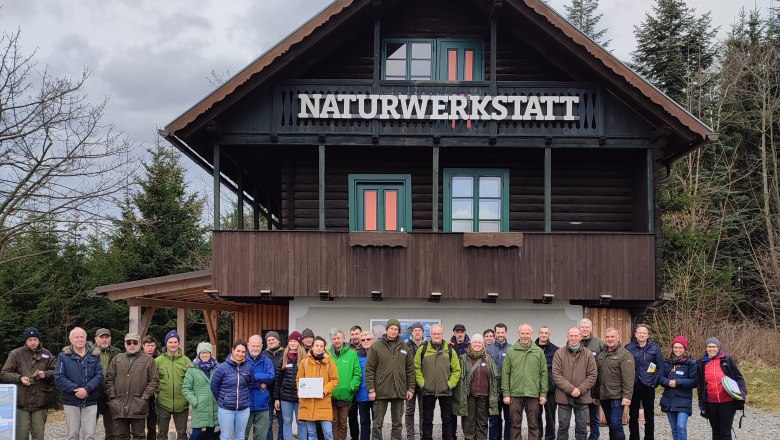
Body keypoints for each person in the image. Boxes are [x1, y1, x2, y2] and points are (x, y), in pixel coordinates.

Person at [1, 327, 56, 440]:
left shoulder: (47, 354)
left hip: (40, 402)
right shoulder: (16, 354)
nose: (32, 342)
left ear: (39, 340)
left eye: (35, 339)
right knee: (21, 436)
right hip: (21, 403)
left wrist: (45, 374)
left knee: (38, 436)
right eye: (30, 339)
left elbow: (57, 372)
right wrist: (19, 378)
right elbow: (4, 373)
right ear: (25, 341)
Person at [365, 318, 415, 440]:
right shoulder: (376, 347)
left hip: (399, 391)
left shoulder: (405, 347)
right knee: (377, 423)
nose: (393, 331)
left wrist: (410, 389)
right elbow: (370, 369)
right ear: (387, 330)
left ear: (398, 331)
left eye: (396, 329)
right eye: (391, 328)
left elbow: (410, 370)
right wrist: (371, 389)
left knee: (397, 423)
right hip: (381, 391)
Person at [105, 332, 160, 440]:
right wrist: (112, 398)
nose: (132, 345)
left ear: (140, 344)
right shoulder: (117, 359)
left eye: (135, 342)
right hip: (119, 405)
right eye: (129, 342)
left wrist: (144, 397)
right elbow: (109, 379)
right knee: (120, 436)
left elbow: (154, 381)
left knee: (139, 437)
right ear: (125, 344)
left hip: (138, 406)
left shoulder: (148, 360)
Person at [54, 327, 104, 440]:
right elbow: (59, 377)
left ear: (86, 339)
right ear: (71, 339)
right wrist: (76, 389)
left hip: (90, 400)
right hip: (71, 401)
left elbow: (99, 375)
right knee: (73, 435)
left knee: (90, 436)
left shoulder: (95, 355)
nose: (80, 339)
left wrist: (87, 389)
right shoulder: (63, 356)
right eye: (77, 337)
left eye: (82, 337)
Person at [414, 323, 461, 440]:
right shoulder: (423, 350)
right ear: (430, 334)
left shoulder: (450, 350)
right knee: (427, 420)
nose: (436, 335)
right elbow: (416, 368)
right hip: (428, 391)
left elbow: (456, 370)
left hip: (446, 391)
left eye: (438, 333)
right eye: (434, 333)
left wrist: (450, 385)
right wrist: (423, 384)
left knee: (447, 420)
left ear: (442, 334)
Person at [502, 324, 547, 440]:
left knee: (533, 424)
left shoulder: (538, 352)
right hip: (515, 395)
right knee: (515, 425)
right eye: (522, 333)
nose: (525, 336)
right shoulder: (511, 351)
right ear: (519, 334)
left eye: (527, 333)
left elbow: (543, 373)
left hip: (533, 394)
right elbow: (505, 373)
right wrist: (506, 394)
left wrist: (543, 394)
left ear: (531, 334)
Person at [697, 337, 747, 440]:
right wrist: (702, 404)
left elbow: (738, 377)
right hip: (711, 402)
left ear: (718, 347)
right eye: (709, 346)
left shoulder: (727, 360)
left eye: (714, 346)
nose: (711, 349)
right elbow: (700, 386)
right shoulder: (701, 363)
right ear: (706, 348)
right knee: (715, 432)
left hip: (728, 401)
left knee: (725, 432)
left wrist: (742, 392)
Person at [552, 327, 597, 440]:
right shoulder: (559, 353)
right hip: (564, 397)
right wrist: (571, 389)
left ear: (581, 337)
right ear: (567, 337)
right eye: (571, 335)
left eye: (576, 335)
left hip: (582, 396)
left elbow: (592, 375)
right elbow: (556, 375)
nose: (573, 338)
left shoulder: (588, 354)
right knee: (563, 426)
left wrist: (580, 389)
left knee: (582, 428)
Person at [453, 334, 499, 440]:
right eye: (475, 342)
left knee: (482, 423)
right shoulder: (463, 359)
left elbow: (494, 378)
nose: (477, 344)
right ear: (470, 344)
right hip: (469, 397)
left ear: (483, 345)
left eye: (479, 343)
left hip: (484, 396)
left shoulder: (488, 359)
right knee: (468, 422)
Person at [625, 324, 664, 440]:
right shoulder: (628, 348)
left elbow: (661, 367)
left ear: (648, 335)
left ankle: (649, 437)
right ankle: (634, 437)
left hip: (648, 385)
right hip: (634, 385)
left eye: (644, 333)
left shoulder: (655, 348)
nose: (642, 335)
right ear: (635, 334)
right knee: (633, 415)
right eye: (639, 333)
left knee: (649, 415)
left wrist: (655, 382)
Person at [595, 328, 634, 440]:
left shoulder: (625, 355)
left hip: (617, 396)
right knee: (611, 424)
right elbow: (597, 377)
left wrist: (627, 396)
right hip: (604, 396)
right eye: (607, 337)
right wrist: (595, 395)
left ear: (618, 337)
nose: (610, 339)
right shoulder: (601, 355)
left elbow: (628, 378)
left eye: (612, 337)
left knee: (616, 424)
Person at [297, 336, 340, 440]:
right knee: (311, 434)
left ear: (324, 348)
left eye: (321, 346)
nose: (319, 348)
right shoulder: (304, 363)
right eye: (317, 345)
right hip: (308, 403)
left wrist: (324, 391)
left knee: (328, 433)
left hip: (323, 402)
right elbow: (299, 379)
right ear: (312, 347)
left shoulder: (330, 363)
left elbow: (335, 380)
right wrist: (300, 390)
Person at [212, 340, 255, 440]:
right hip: (226, 409)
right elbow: (214, 386)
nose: (240, 354)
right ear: (233, 350)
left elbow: (251, 384)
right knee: (226, 436)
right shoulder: (222, 368)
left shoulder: (249, 367)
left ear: (246, 353)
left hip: (243, 409)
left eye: (243, 352)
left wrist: (243, 397)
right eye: (238, 351)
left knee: (240, 436)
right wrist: (223, 399)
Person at [657, 336, 696, 440]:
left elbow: (694, 381)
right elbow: (660, 377)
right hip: (669, 399)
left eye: (680, 347)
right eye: (675, 347)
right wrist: (668, 382)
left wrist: (678, 382)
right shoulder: (667, 362)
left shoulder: (691, 363)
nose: (677, 350)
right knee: (674, 429)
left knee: (681, 427)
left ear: (685, 349)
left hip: (684, 400)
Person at [155, 330, 191, 440]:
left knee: (182, 435)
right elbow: (152, 380)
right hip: (163, 403)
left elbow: (192, 380)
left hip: (182, 404)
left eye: (175, 342)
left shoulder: (186, 360)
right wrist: (157, 394)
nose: (173, 344)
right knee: (162, 435)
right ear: (166, 343)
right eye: (170, 342)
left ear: (178, 343)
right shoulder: (158, 361)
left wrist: (189, 396)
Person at [182, 342, 219, 440]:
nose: (205, 355)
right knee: (195, 435)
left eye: (207, 352)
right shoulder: (192, 369)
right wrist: (195, 401)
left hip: (213, 406)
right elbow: (185, 389)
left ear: (211, 354)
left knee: (210, 435)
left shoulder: (217, 368)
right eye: (202, 352)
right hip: (199, 407)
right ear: (198, 354)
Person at [329, 329, 362, 440]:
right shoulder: (327, 354)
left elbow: (357, 373)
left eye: (338, 338)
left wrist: (352, 387)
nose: (336, 341)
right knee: (333, 422)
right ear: (331, 340)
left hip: (346, 396)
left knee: (343, 423)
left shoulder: (352, 354)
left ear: (343, 338)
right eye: (334, 339)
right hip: (331, 396)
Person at [274, 331, 306, 440]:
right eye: (290, 341)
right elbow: (278, 379)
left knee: (301, 422)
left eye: (295, 341)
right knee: (287, 422)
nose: (292, 343)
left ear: (299, 343)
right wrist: (277, 398)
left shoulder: (304, 358)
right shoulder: (284, 358)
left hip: (300, 397)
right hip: (285, 397)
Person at [579, 318, 605, 440]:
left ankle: (594, 437)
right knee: (581, 417)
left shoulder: (599, 343)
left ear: (591, 328)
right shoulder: (575, 341)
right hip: (579, 386)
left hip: (594, 385)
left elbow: (603, 364)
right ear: (579, 328)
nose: (585, 329)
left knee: (594, 416)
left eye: (587, 326)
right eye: (582, 326)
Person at [246, 335, 277, 440]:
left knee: (261, 437)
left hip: (263, 404)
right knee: (242, 435)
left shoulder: (267, 360)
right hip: (245, 404)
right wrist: (260, 383)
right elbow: (243, 379)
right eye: (253, 346)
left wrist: (254, 376)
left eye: (258, 346)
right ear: (248, 345)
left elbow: (271, 377)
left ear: (262, 346)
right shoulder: (242, 359)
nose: (255, 348)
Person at [95, 328, 121, 440]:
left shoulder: (118, 352)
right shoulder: (89, 352)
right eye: (102, 337)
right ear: (96, 339)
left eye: (107, 337)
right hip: (93, 394)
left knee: (112, 430)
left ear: (110, 339)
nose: (104, 340)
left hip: (110, 395)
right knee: (89, 429)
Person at [487, 323, 511, 440]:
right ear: (495, 333)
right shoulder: (488, 350)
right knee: (494, 418)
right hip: (493, 391)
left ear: (506, 333)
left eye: (503, 332)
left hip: (508, 391)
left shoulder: (511, 349)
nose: (500, 335)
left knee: (509, 418)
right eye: (498, 332)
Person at [536, 326, 559, 440]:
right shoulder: (532, 348)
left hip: (551, 389)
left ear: (549, 334)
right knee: (536, 416)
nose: (544, 335)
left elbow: (558, 370)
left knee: (550, 416)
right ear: (538, 334)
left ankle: (550, 437)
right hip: (535, 389)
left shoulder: (555, 350)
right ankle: (538, 436)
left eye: (546, 333)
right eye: (542, 333)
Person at [404, 322, 425, 440]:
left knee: (423, 412)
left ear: (423, 332)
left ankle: (423, 435)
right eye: (415, 330)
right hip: (410, 384)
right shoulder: (406, 346)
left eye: (419, 330)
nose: (417, 332)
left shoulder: (427, 346)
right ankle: (410, 436)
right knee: (409, 411)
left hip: (423, 383)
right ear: (412, 332)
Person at [449, 323, 470, 437]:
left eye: (462, 332)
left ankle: (467, 435)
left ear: (465, 332)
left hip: (467, 383)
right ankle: (452, 435)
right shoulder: (448, 346)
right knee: (451, 412)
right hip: (453, 383)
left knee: (466, 412)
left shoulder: (471, 345)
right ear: (454, 333)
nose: (460, 334)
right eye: (457, 332)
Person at [265, 331, 286, 440]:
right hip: (267, 394)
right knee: (268, 424)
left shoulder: (285, 354)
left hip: (281, 394)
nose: (271, 341)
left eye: (273, 339)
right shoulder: (263, 355)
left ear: (278, 340)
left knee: (282, 423)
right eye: (268, 340)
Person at [355, 331, 374, 440]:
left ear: (373, 339)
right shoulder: (356, 355)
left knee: (377, 421)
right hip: (362, 394)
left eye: (368, 339)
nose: (366, 341)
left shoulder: (378, 353)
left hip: (377, 394)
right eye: (363, 340)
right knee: (364, 421)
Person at [142, 336, 160, 440]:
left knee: (152, 425)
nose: (150, 348)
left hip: (155, 396)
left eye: (152, 345)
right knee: (138, 425)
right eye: (147, 345)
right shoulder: (137, 359)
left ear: (155, 346)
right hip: (141, 395)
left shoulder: (160, 359)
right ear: (143, 346)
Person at [348, 326, 363, 440]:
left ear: (361, 334)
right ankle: (355, 437)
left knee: (364, 417)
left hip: (364, 387)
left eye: (357, 334)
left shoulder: (367, 347)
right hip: (351, 388)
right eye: (352, 334)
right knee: (352, 416)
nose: (354, 336)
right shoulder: (346, 349)